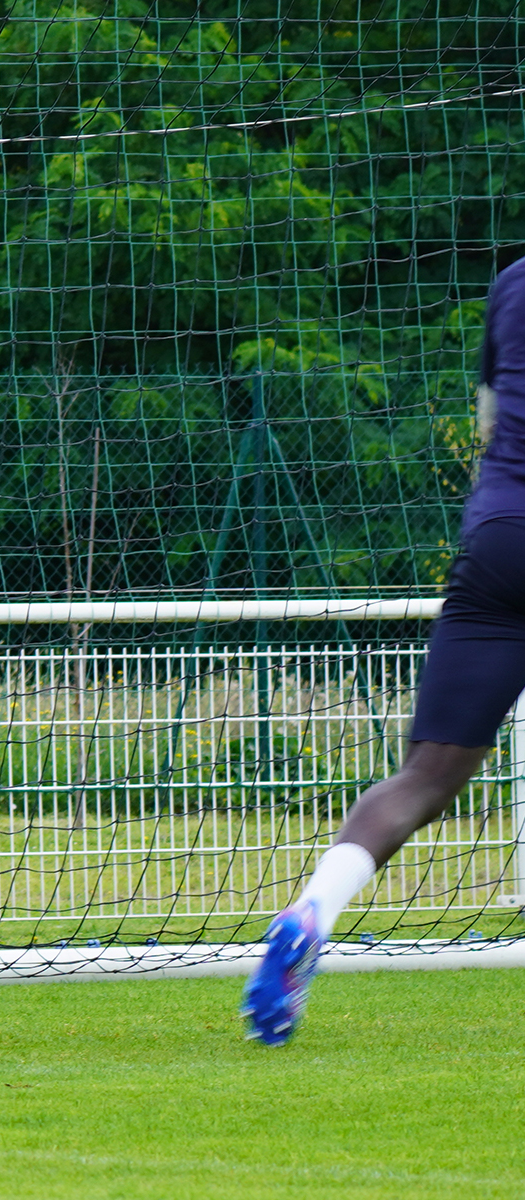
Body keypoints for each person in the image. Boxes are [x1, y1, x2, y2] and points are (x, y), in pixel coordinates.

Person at [243, 255, 525, 1046]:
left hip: (498, 538)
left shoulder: (513, 282)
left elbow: (489, 422)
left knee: (425, 775)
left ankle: (312, 912)